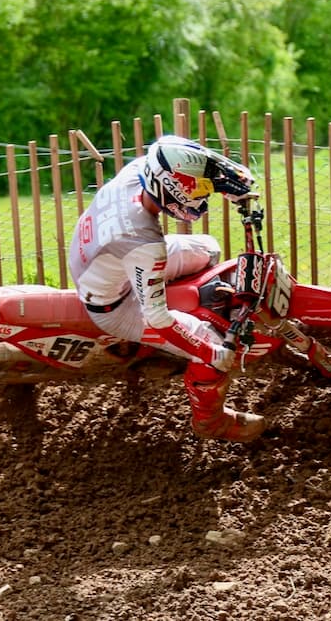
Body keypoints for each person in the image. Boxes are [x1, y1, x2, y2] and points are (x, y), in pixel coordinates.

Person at [68, 134, 265, 443]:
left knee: (208, 249)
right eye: (198, 189)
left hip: (101, 259)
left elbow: (181, 159)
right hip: (113, 305)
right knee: (214, 349)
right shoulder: (146, 245)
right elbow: (157, 319)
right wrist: (208, 350)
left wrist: (224, 183)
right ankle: (210, 422)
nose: (203, 194)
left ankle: (179, 309)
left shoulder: (140, 171)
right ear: (173, 190)